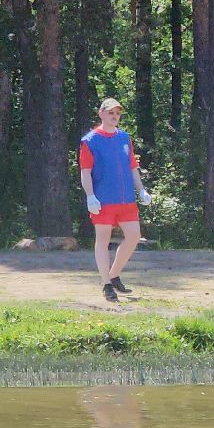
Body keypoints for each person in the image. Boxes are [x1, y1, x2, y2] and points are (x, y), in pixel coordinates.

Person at [78, 98, 151, 302]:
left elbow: (132, 167)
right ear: (101, 114)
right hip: (103, 200)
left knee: (134, 236)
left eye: (117, 113)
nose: (114, 116)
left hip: (126, 198)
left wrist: (141, 190)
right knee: (102, 240)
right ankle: (106, 284)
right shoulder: (90, 141)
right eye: (110, 112)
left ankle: (114, 274)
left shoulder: (124, 138)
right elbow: (85, 171)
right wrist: (90, 196)